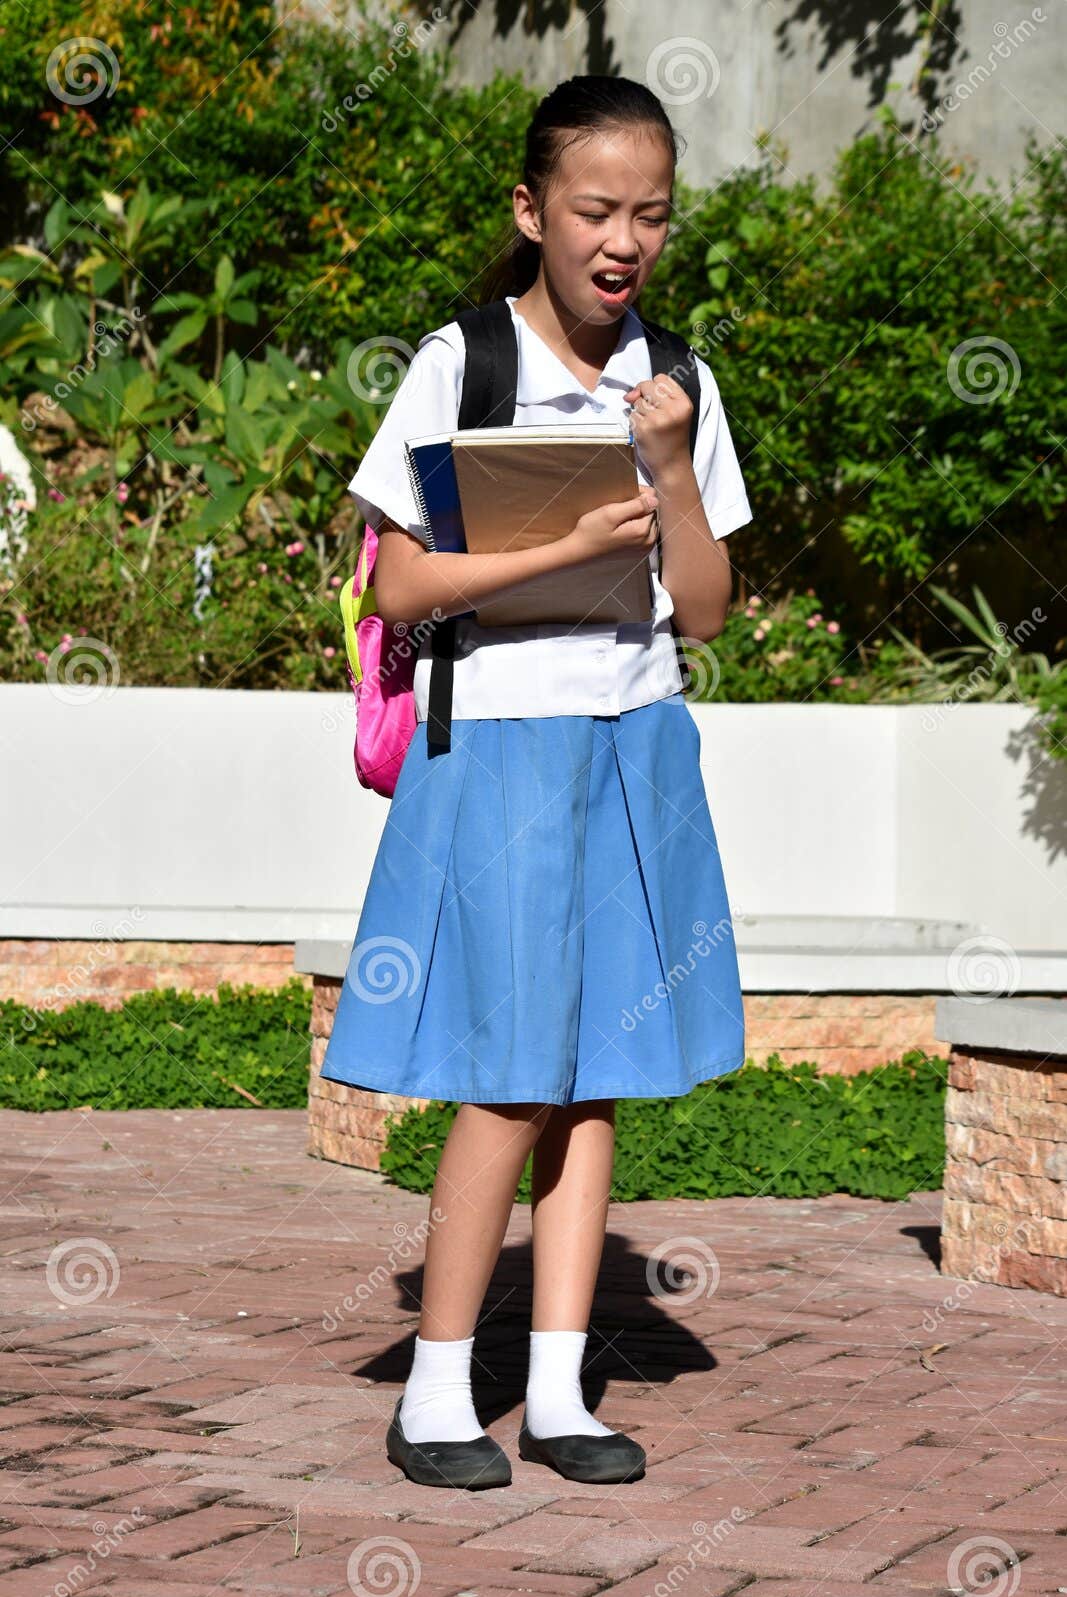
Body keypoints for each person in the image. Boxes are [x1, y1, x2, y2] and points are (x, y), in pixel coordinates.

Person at [321, 73, 752, 1490]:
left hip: (634, 749)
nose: (624, 239)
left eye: (651, 214)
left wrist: (674, 474)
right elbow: (398, 582)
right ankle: (438, 1392)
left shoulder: (676, 379)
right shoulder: (461, 364)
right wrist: (558, 550)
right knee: (507, 1079)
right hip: (499, 749)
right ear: (532, 211)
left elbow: (703, 610)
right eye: (594, 210)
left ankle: (562, 1393)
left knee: (595, 1081)